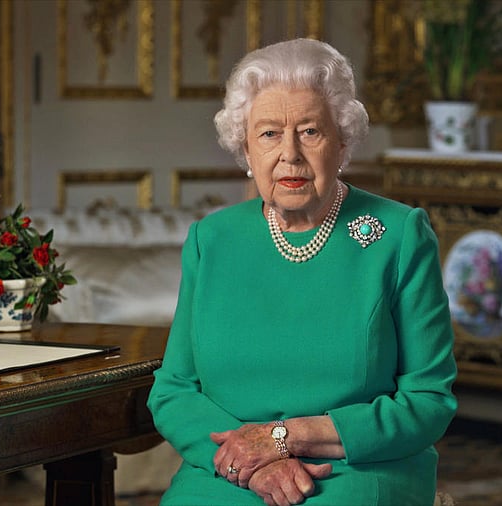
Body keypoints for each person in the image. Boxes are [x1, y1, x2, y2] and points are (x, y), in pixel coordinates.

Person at [147, 38, 458, 506]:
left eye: (310, 131)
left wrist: (283, 438)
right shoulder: (211, 241)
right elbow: (173, 390)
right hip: (230, 472)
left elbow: (430, 400)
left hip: (354, 470)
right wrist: (252, 462)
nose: (289, 154)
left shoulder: (399, 236)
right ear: (245, 149)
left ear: (342, 141)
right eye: (269, 133)